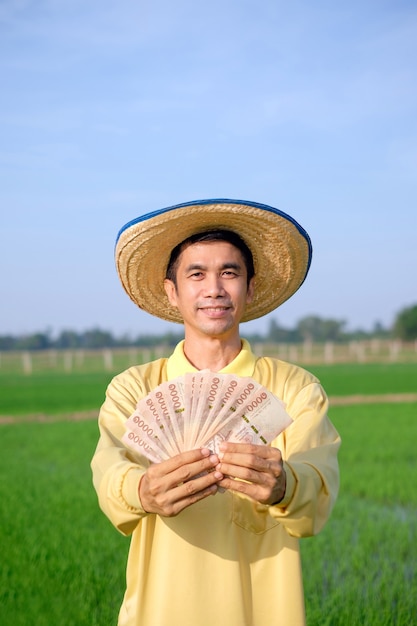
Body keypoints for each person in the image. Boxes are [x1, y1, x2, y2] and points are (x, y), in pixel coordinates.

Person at [91, 198, 341, 626]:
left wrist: (283, 484)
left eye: (230, 272)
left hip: (263, 610)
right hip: (159, 608)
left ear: (251, 286)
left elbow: (317, 490)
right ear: (172, 291)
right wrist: (143, 491)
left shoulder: (294, 388)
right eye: (196, 274)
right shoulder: (134, 388)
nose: (214, 289)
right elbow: (110, 473)